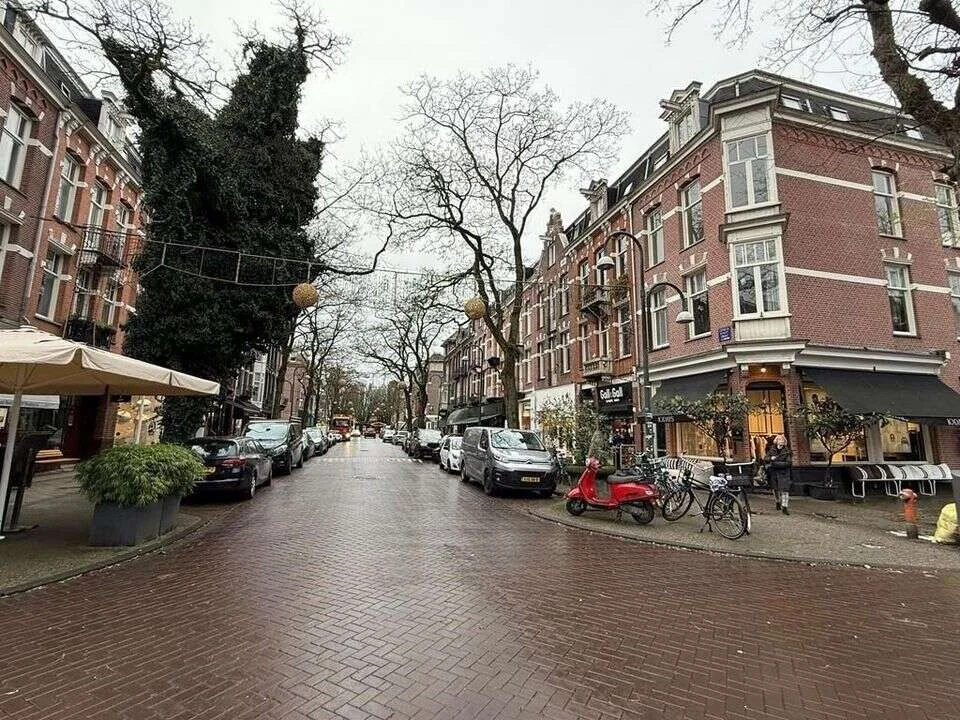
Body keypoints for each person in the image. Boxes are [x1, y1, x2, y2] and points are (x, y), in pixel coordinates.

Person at [764, 434, 793, 515]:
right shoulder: (771, 450)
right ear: (776, 441)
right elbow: (766, 458)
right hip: (774, 473)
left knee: (785, 490)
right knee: (775, 489)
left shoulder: (787, 451)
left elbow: (788, 463)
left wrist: (775, 463)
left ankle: (785, 507)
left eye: (783, 440)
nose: (781, 441)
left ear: (785, 442)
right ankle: (777, 502)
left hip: (784, 473)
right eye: (779, 440)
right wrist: (770, 458)